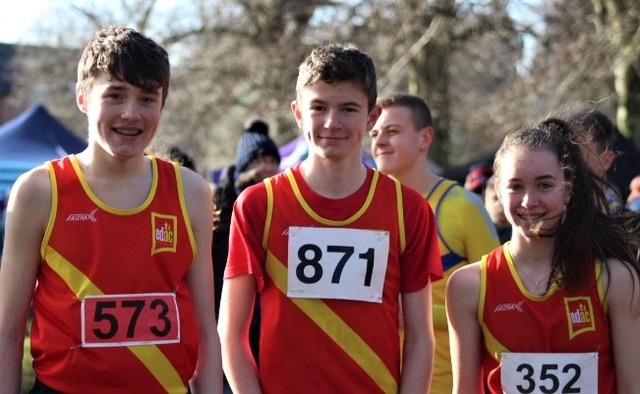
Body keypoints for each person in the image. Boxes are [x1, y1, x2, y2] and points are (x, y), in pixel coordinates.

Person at [0, 26, 222, 393]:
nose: (131, 114)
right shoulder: (39, 191)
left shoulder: (191, 192)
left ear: (163, 103)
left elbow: (205, 332)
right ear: (83, 98)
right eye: (115, 96)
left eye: (147, 99)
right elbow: (8, 332)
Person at [218, 44, 443, 393]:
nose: (331, 122)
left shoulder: (408, 209)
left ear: (372, 118)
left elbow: (419, 338)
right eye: (318, 107)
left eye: (348, 109)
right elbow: (231, 333)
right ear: (297, 113)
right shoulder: (258, 204)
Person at [446, 118, 640, 393]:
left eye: (544, 185)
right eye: (516, 187)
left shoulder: (615, 279)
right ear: (498, 191)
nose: (529, 201)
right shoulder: (468, 285)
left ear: (568, 191)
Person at [369, 93, 499, 393]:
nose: (379, 142)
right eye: (374, 133)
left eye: (392, 131)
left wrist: (415, 314)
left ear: (425, 138)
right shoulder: (363, 210)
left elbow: (498, 303)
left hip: (444, 385)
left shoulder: (462, 207)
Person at [212, 118, 281, 366]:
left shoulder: (280, 203)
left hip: (268, 325)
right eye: (259, 160)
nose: (267, 167)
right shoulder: (222, 207)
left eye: (273, 161)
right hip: (230, 317)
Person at [566, 107, 622, 215]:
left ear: (606, 160)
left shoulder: (627, 226)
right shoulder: (548, 221)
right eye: (563, 157)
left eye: (578, 158)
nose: (567, 167)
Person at [484, 174, 512, 244]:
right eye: (495, 199)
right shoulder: (478, 231)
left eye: (504, 198)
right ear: (485, 199)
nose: (501, 205)